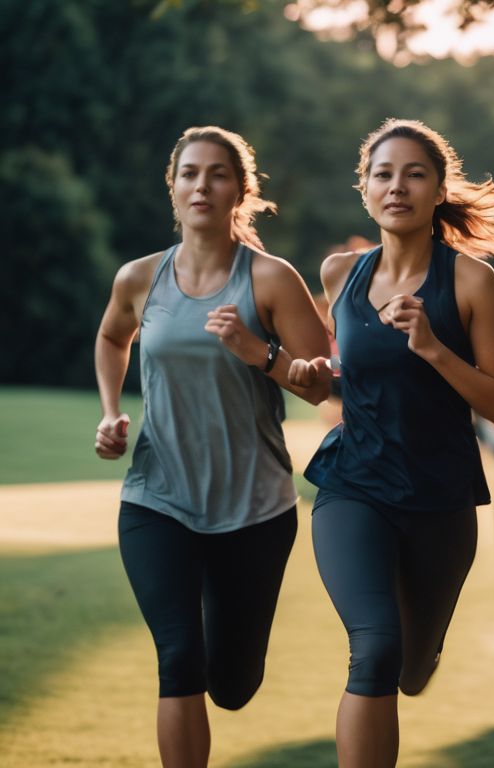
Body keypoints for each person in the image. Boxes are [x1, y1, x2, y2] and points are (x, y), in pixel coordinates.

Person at [93, 126, 331, 768]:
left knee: (232, 685)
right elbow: (114, 338)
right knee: (178, 658)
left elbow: (324, 383)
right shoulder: (140, 278)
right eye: (189, 174)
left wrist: (261, 354)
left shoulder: (272, 280)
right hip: (156, 499)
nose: (202, 185)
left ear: (240, 192)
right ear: (173, 190)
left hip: (254, 508)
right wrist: (113, 414)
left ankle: (229, 653)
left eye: (217, 174)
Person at [289, 118, 494, 768]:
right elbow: (333, 380)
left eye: (414, 173)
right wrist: (308, 372)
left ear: (438, 189)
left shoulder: (471, 282)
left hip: (440, 498)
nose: (398, 186)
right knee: (375, 648)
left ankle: (425, 654)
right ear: (365, 189)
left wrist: (434, 349)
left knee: (412, 664)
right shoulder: (340, 274)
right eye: (383, 174)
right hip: (353, 487)